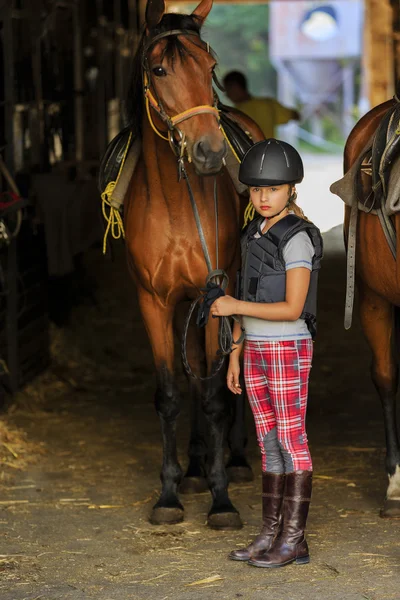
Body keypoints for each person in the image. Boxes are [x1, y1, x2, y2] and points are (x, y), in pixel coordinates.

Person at [210, 139, 323, 568]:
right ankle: (270, 533)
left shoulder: (296, 238)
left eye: (272, 189)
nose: (262, 197)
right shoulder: (251, 234)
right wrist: (236, 353)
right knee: (268, 441)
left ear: (290, 189)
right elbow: (247, 293)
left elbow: (292, 307)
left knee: (292, 440)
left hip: (287, 346)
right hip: (255, 347)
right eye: (257, 189)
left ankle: (293, 539)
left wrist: (234, 306)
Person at [223, 71, 300, 139]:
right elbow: (295, 115)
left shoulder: (233, 114)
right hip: (268, 152)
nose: (227, 95)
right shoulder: (268, 104)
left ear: (235, 87)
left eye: (228, 90)